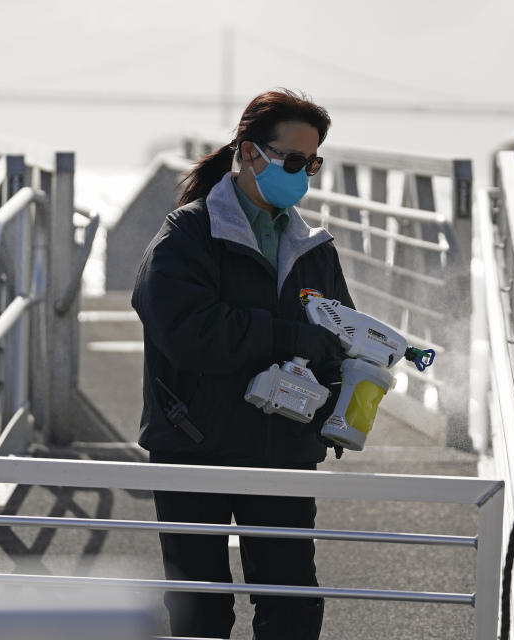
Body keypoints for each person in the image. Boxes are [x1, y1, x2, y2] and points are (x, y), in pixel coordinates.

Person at [131, 89, 354, 640]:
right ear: (250, 154)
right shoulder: (186, 235)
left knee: (292, 606)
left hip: (284, 445)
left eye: (314, 162)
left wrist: (343, 391)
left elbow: (340, 333)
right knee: (200, 608)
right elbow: (190, 335)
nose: (304, 174)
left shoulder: (314, 246)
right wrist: (292, 338)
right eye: (295, 161)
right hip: (194, 444)